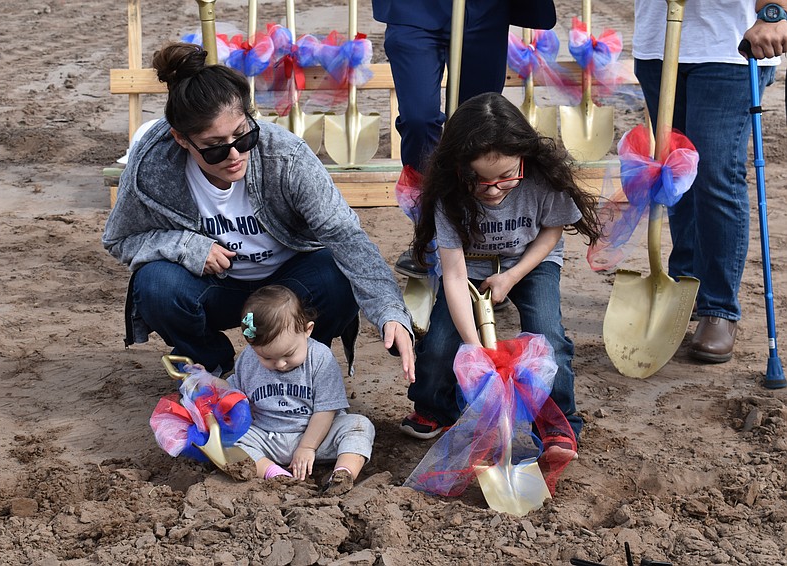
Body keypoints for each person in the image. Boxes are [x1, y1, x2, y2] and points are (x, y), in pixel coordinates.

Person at [102, 42, 415, 381]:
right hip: (214, 288)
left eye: (242, 136)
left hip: (291, 285)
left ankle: (299, 362)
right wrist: (187, 247)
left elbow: (346, 237)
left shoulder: (286, 156)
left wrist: (390, 311)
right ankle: (214, 366)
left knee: (336, 273)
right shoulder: (152, 165)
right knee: (155, 285)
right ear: (181, 139)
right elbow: (120, 239)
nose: (234, 154)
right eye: (215, 148)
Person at [400, 93, 601, 467]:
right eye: (480, 180)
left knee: (548, 337)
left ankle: (558, 423)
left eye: (506, 178)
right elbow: (455, 275)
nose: (493, 190)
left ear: (523, 158)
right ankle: (434, 407)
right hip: (469, 267)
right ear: (459, 167)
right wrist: (477, 349)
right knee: (444, 344)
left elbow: (550, 234)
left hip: (528, 261)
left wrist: (512, 276)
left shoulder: (543, 179)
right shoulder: (447, 192)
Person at [633, 0, 779, 363]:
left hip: (728, 44)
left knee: (714, 174)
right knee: (676, 172)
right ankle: (686, 285)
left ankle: (718, 308)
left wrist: (775, 10)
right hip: (658, 40)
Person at [372, 0, 557, 277]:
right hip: (414, 10)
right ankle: (429, 233)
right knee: (418, 119)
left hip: (483, 10)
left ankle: (477, 245)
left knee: (479, 127)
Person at [215, 286, 375, 495]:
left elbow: (325, 411)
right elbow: (235, 392)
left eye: (288, 354)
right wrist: (208, 383)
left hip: (317, 437)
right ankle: (274, 474)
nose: (280, 364)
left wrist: (307, 447)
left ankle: (343, 474)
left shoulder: (320, 358)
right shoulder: (248, 359)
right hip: (266, 437)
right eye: (267, 358)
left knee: (359, 426)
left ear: (307, 330)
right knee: (225, 440)